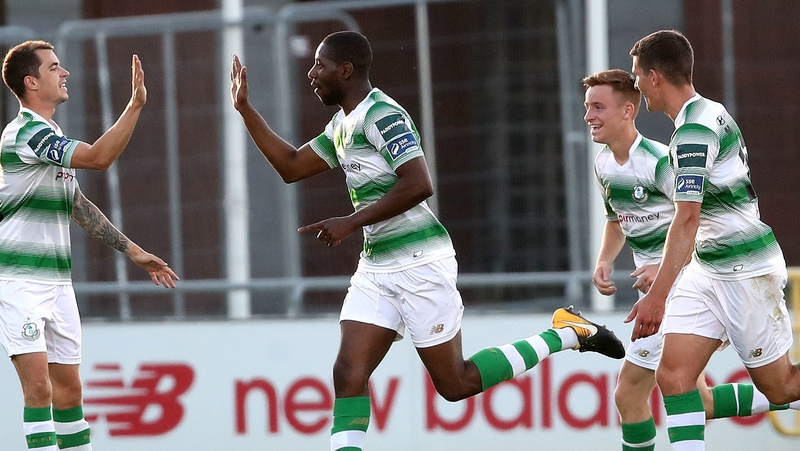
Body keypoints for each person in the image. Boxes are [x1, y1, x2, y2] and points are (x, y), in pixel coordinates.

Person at [231, 30, 625, 451]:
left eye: (319, 66)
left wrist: (351, 221)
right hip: (377, 267)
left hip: (420, 262)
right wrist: (245, 109)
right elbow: (292, 165)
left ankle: (566, 333)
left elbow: (419, 182)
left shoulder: (382, 115)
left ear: (345, 71)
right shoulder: (342, 124)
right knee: (347, 373)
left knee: (455, 384)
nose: (311, 74)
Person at [585, 68, 800, 451]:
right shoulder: (605, 163)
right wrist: (605, 259)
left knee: (630, 393)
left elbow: (691, 219)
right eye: (588, 107)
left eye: (598, 107)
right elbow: (617, 219)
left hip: (694, 279)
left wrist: (661, 277)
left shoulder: (663, 158)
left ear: (629, 109)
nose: (589, 116)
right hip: (681, 280)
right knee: (688, 390)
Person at [0, 40, 179, 451]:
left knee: (69, 392)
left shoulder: (51, 134)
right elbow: (99, 158)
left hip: (58, 283)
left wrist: (134, 251)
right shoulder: (26, 133)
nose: (64, 73)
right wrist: (134, 105)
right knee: (39, 389)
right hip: (20, 281)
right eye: (54, 67)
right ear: (31, 82)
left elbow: (76, 204)